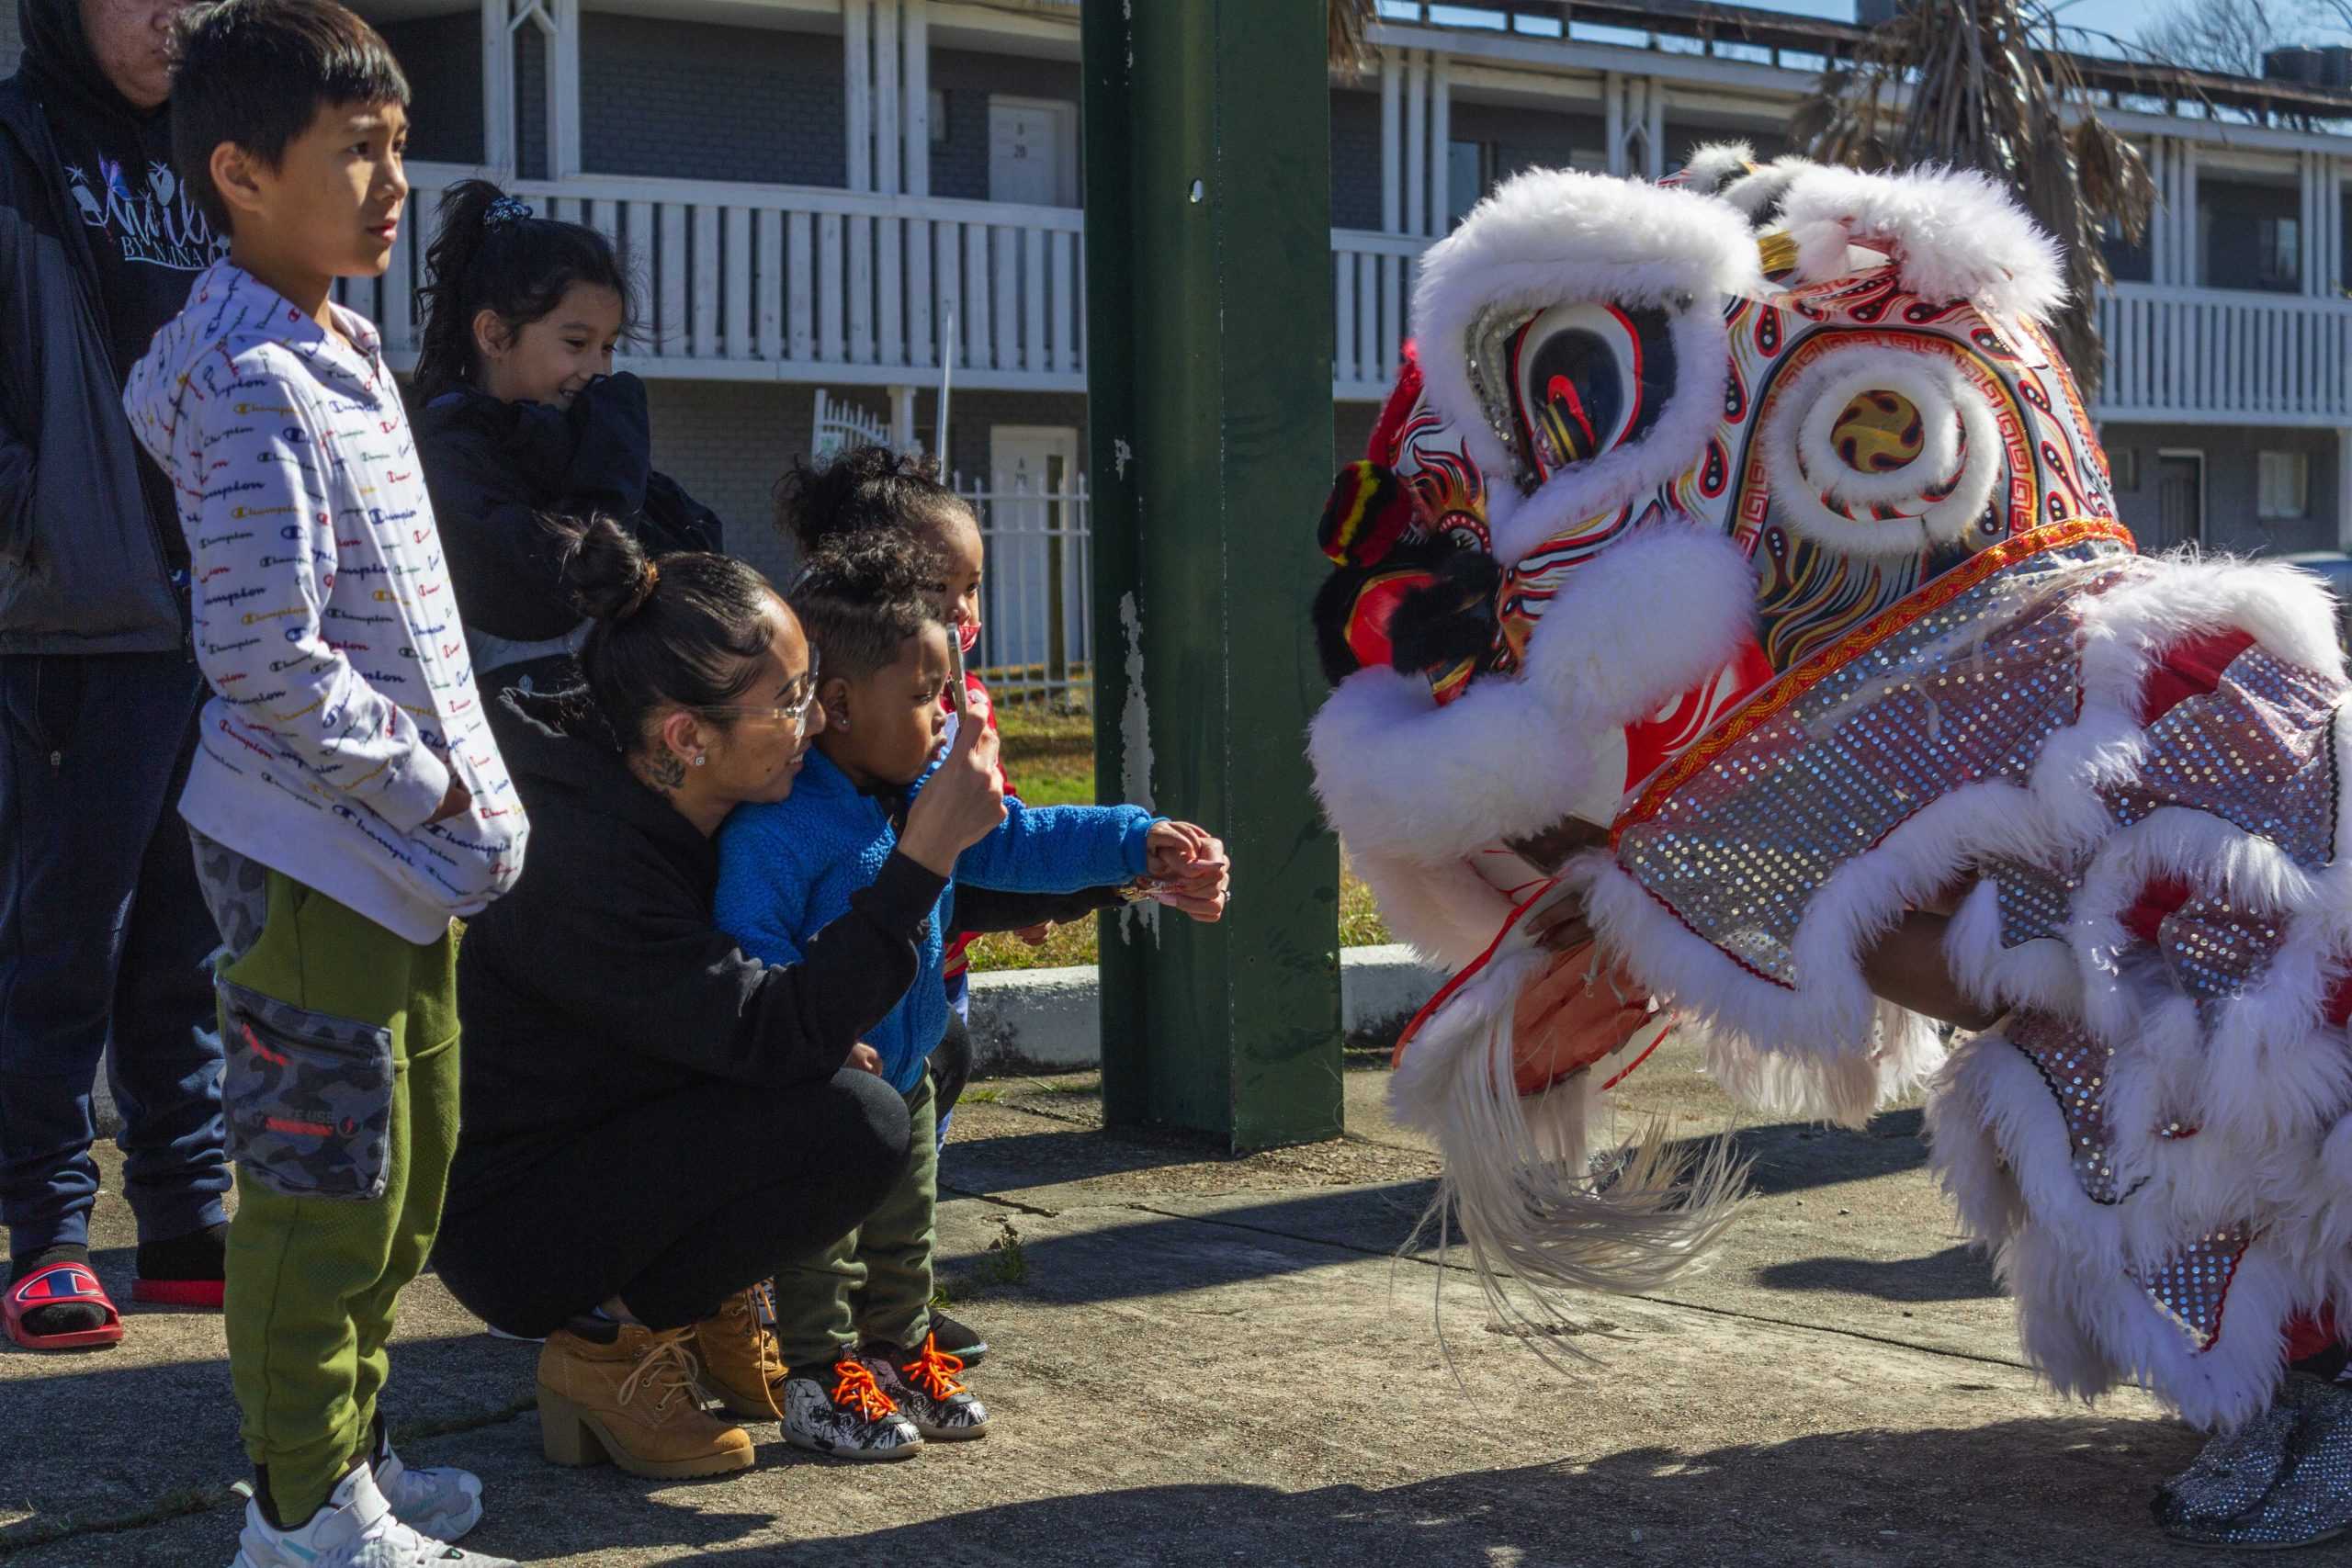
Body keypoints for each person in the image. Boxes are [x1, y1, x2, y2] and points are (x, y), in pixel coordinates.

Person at [122, 2, 528, 1562]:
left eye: (399, 149)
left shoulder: (332, 338)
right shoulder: (248, 381)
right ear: (237, 172)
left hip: (393, 854)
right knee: (321, 1193)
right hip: (322, 846)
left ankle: (351, 1457)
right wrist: (427, 777)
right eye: (355, 152)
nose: (391, 184)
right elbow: (262, 652)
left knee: (403, 1172)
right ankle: (297, 1514)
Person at [434, 513, 1012, 1482]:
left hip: (639, 1132)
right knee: (854, 1124)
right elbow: (769, 1030)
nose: (818, 721)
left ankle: (703, 1306)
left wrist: (1126, 871)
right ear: (684, 737)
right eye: (789, 702)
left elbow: (842, 896)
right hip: (526, 1222)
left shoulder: (696, 799)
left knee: (923, 1046)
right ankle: (605, 1344)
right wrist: (922, 862)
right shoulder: (586, 867)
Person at [712, 531, 1229, 1461]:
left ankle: (898, 1351)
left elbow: (1022, 841)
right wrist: (813, 1036)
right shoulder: (779, 830)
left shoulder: (922, 794)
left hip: (905, 1072)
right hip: (821, 1090)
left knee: (906, 1232)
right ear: (835, 705)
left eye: (947, 693)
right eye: (922, 698)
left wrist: (1134, 841)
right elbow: (747, 946)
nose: (946, 717)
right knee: (819, 1244)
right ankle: (814, 1374)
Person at [0, 0, 235, 1350]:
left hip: (215, 606)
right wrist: (31, 513)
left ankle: (186, 1210)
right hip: (71, 608)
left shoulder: (221, 145)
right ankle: (42, 1227)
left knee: (183, 937)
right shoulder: (18, 137)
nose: (174, 15)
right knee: (57, 934)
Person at [411, 178, 721, 715]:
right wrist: (609, 484)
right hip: (504, 751)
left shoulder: (577, 438)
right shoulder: (446, 455)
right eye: (576, 344)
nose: (597, 371)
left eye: (608, 348)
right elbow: (558, 590)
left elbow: (698, 558)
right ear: (494, 336)